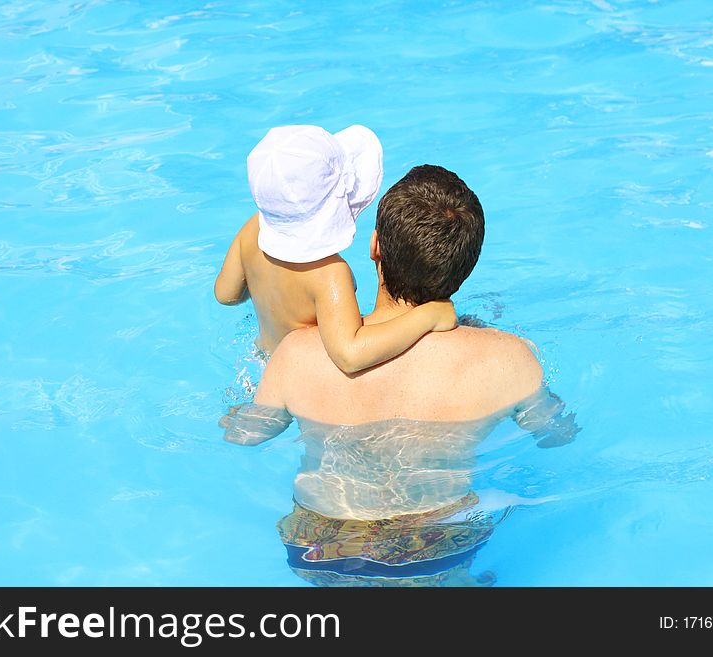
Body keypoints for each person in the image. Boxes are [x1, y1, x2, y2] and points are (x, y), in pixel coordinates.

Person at [222, 164, 578, 585]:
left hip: (318, 548)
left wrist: (251, 383)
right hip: (433, 549)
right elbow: (556, 434)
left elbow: (245, 435)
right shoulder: (509, 358)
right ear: (466, 267)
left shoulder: (299, 352)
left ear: (375, 247)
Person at [213, 125, 456, 374]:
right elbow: (349, 354)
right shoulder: (329, 274)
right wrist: (428, 316)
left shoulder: (252, 230)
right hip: (302, 377)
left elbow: (225, 294)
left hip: (259, 360)